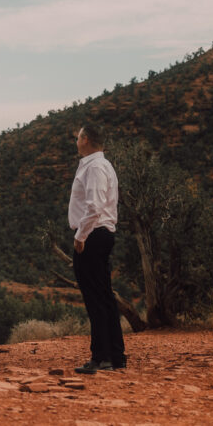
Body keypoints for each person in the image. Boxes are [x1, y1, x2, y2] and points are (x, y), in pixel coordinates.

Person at [69, 123, 127, 374]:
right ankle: (115, 356)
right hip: (101, 234)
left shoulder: (94, 167)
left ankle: (101, 356)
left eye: (79, 136)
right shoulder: (103, 165)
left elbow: (94, 206)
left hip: (92, 235)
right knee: (104, 296)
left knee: (95, 298)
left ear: (86, 140)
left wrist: (81, 236)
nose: (76, 139)